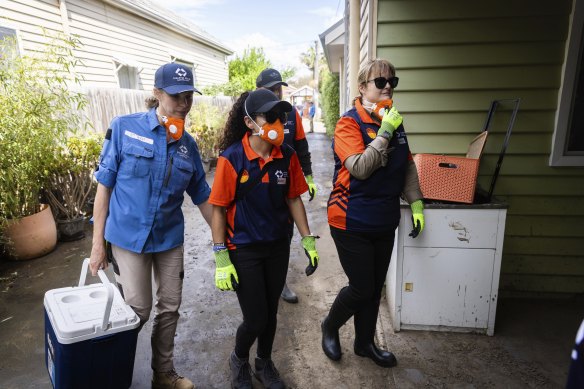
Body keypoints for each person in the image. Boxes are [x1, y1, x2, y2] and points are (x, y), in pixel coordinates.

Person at [89, 63, 212, 389]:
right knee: (137, 310)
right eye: (176, 96)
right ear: (157, 94)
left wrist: (224, 241)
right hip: (127, 237)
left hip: (168, 238)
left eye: (189, 96)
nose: (184, 104)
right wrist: (97, 245)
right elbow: (104, 187)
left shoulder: (189, 145)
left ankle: (163, 373)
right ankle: (111, 371)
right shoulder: (125, 128)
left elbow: (202, 196)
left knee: (170, 307)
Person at [209, 88, 320, 389]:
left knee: (271, 313)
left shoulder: (288, 156)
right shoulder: (232, 159)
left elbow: (294, 200)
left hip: (276, 246)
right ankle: (239, 358)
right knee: (256, 318)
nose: (278, 123)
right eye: (269, 117)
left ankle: (264, 362)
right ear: (249, 123)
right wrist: (221, 256)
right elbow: (218, 210)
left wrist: (307, 240)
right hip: (243, 248)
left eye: (280, 117)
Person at [321, 58, 425, 368]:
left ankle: (364, 342)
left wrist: (416, 202)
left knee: (374, 287)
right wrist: (384, 132)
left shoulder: (394, 120)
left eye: (392, 80)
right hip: (350, 219)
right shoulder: (348, 123)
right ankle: (329, 325)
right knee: (361, 287)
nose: (388, 86)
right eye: (380, 82)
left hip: (384, 218)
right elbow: (360, 168)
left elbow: (406, 163)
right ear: (363, 87)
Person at [255, 68, 317, 304]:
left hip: (284, 182)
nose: (276, 93)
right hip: (257, 183)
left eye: (278, 88)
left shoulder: (290, 115)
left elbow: (301, 146)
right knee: (256, 232)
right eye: (271, 89)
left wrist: (308, 177)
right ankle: (256, 279)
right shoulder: (252, 115)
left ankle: (279, 281)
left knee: (284, 231)